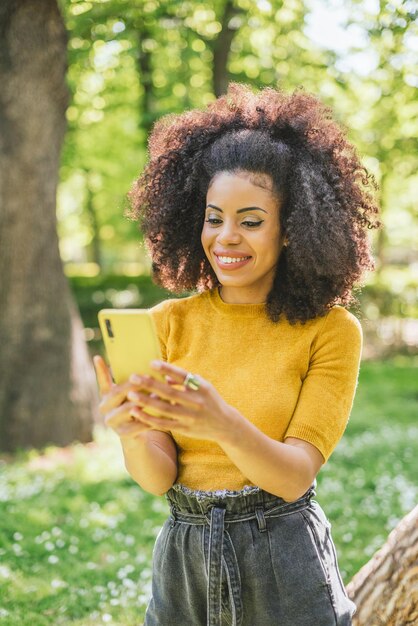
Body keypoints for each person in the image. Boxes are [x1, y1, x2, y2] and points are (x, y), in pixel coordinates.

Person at [93, 83, 380, 626]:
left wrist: (221, 422)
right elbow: (158, 478)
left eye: (250, 221)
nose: (226, 238)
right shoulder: (165, 324)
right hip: (184, 561)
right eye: (213, 217)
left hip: (284, 555)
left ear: (292, 230)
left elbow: (295, 476)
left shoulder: (331, 331)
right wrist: (130, 429)